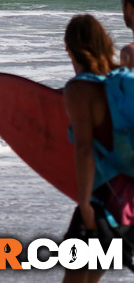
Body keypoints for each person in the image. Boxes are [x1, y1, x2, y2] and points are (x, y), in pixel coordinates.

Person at [62, 14, 134, 281]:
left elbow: (83, 149)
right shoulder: (121, 82)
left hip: (104, 195)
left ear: (69, 48)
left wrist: (84, 204)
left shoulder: (80, 89)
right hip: (130, 198)